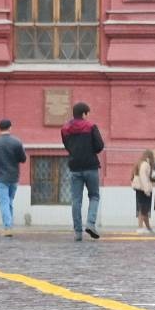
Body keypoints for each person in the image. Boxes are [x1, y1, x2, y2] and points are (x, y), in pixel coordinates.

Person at [61, 102, 104, 241]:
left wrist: (75, 153)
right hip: (90, 166)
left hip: (74, 166)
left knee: (76, 200)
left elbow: (67, 145)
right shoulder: (91, 126)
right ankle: (90, 223)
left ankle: (78, 232)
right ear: (84, 113)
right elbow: (99, 146)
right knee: (94, 196)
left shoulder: (65, 128)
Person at [0, 118, 27, 237]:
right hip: (14, 177)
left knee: (4, 202)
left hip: (0, 177)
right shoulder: (17, 142)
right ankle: (9, 225)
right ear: (10, 127)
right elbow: (23, 159)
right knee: (9, 201)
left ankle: (7, 227)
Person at [131, 150, 155, 234]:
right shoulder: (145, 164)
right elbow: (143, 177)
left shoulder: (140, 163)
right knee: (143, 209)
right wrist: (147, 190)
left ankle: (146, 227)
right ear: (149, 156)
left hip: (139, 188)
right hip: (143, 189)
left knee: (141, 208)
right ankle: (141, 227)